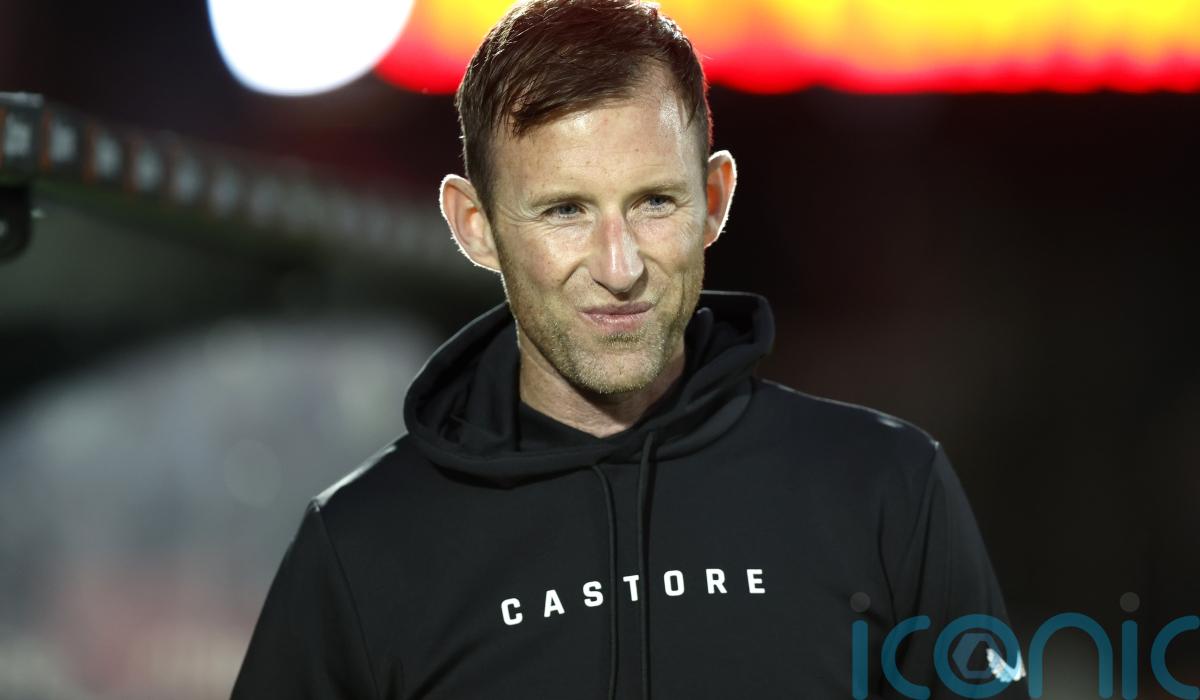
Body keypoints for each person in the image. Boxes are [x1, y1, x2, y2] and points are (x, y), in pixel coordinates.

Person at [231, 1, 1028, 698]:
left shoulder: (885, 489)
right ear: (474, 226)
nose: (620, 269)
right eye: (565, 211)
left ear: (713, 200)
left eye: (653, 202)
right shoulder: (362, 547)